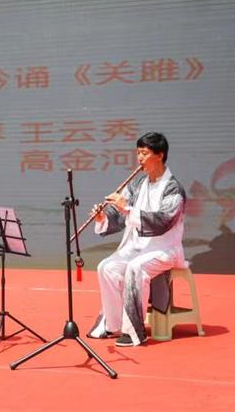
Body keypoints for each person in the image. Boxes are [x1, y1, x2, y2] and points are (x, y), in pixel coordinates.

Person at [86, 132, 187, 347]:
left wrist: (128, 209)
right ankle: (113, 325)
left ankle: (132, 331)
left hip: (165, 248)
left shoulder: (173, 188)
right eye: (138, 153)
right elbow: (119, 214)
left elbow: (164, 221)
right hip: (138, 247)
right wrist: (103, 217)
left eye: (144, 153)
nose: (139, 158)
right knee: (106, 267)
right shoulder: (137, 184)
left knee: (135, 267)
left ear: (159, 155)